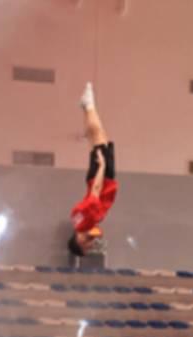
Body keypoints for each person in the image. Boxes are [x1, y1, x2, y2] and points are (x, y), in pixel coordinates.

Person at [68, 82, 119, 257]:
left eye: (85, 247)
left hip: (102, 179)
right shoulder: (79, 223)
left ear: (77, 241)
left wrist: (102, 168)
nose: (89, 246)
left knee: (97, 135)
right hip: (100, 179)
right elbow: (95, 229)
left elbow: (95, 192)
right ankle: (87, 106)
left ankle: (88, 104)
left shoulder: (85, 222)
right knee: (99, 137)